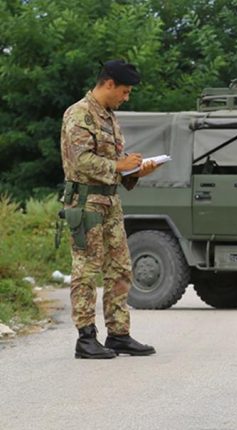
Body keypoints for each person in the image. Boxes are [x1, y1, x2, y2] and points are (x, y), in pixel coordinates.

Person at [60, 60, 159, 359]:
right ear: (109, 84)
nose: (126, 98)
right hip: (86, 203)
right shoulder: (79, 114)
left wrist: (135, 172)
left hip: (110, 203)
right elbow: (80, 162)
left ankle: (118, 334)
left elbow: (114, 165)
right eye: (125, 92)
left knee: (119, 269)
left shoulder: (110, 118)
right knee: (87, 271)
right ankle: (86, 338)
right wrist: (119, 166)